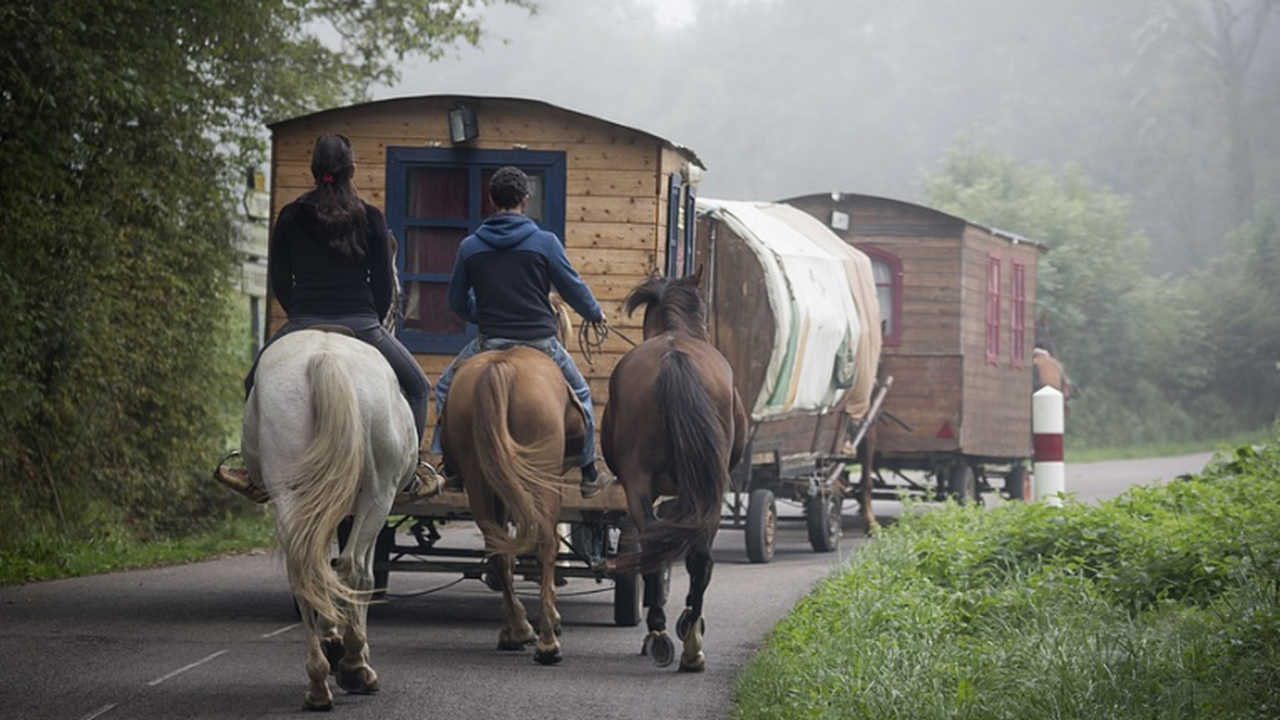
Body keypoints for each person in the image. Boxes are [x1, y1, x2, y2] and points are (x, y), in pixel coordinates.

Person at [216, 133, 434, 502]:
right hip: (363, 323)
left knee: (253, 382)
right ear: (351, 169)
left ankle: (255, 473)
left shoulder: (290, 216)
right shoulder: (372, 218)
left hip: (302, 320)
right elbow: (384, 285)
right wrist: (371, 319)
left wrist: (300, 313)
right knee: (418, 388)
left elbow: (281, 281)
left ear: (314, 170)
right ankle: (409, 474)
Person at [429, 166, 609, 498]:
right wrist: (594, 313)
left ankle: (451, 467)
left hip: (490, 341)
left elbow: (455, 301)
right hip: (542, 344)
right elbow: (572, 288)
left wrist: (479, 313)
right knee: (581, 394)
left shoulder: (470, 246)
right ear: (525, 200)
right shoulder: (545, 243)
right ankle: (588, 472)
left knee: (444, 388)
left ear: (491, 199)